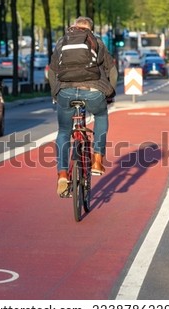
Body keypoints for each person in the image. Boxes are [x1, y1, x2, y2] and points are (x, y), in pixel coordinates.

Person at [48, 16, 118, 197]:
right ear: (90, 29)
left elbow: (52, 71)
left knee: (63, 131)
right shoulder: (96, 42)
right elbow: (112, 70)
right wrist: (110, 94)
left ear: (73, 27)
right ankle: (97, 159)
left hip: (65, 92)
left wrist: (55, 94)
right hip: (93, 91)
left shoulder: (62, 42)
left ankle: (62, 174)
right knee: (101, 116)